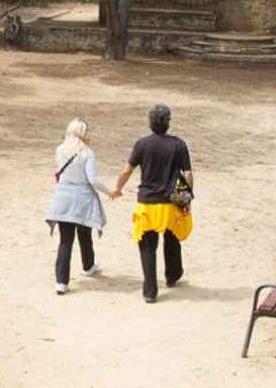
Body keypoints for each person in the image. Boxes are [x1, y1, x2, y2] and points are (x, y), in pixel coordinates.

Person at [113, 105, 193, 303]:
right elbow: (188, 174)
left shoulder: (142, 144)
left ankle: (150, 291)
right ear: (168, 122)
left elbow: (127, 170)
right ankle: (172, 276)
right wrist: (187, 198)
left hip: (147, 202)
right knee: (172, 238)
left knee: (147, 246)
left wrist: (118, 188)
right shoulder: (179, 144)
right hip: (171, 202)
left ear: (150, 123)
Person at [44, 117, 117, 295]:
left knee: (65, 241)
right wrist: (110, 192)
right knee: (85, 235)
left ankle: (61, 282)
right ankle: (88, 265)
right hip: (83, 199)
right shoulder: (88, 153)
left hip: (63, 198)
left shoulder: (60, 150)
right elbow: (92, 179)